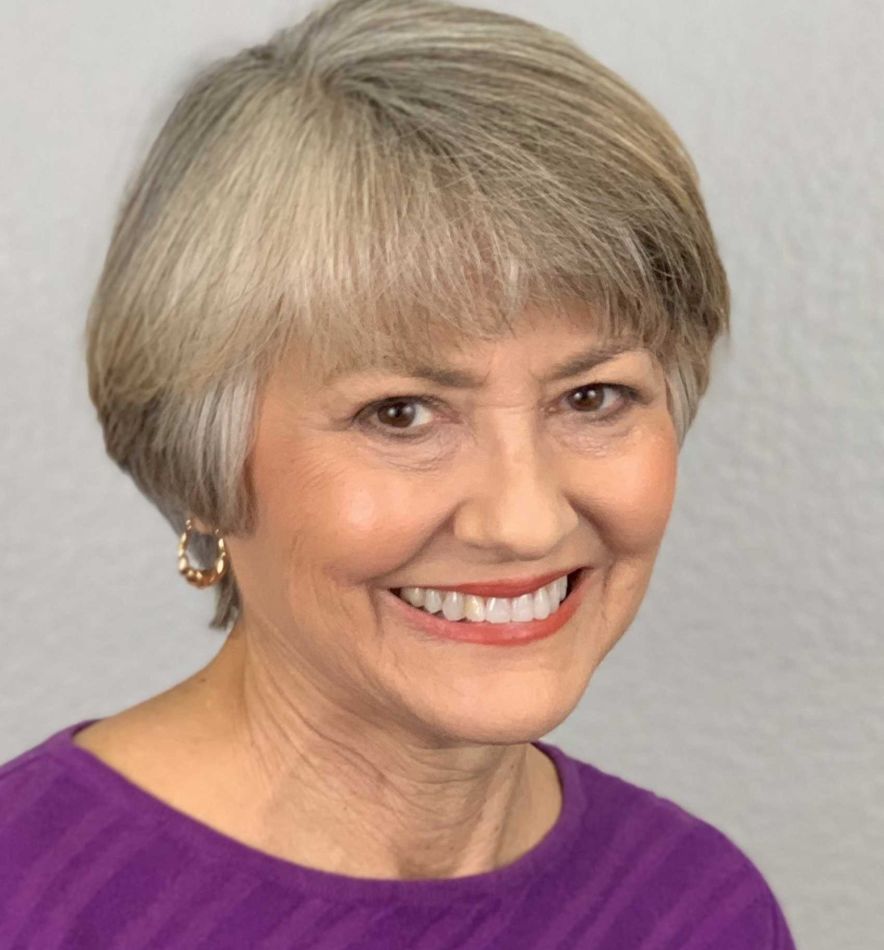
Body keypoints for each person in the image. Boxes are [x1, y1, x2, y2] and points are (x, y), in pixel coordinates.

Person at [0, 0, 798, 946]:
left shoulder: (698, 909)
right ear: (200, 458)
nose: (526, 520)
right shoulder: (29, 898)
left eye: (592, 397)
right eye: (402, 413)